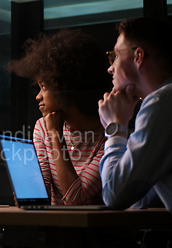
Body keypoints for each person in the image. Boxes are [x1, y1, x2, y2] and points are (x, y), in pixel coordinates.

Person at [98, 17, 172, 248]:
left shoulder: (164, 104)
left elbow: (114, 196)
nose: (110, 67)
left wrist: (116, 129)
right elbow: (137, 199)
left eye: (114, 55)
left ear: (138, 56)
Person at [9, 29, 111, 205]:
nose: (38, 96)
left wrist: (56, 135)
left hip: (96, 230)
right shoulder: (42, 126)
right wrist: (28, 192)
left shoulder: (109, 137)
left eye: (44, 87)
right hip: (58, 229)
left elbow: (75, 198)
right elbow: (42, 193)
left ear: (65, 87)